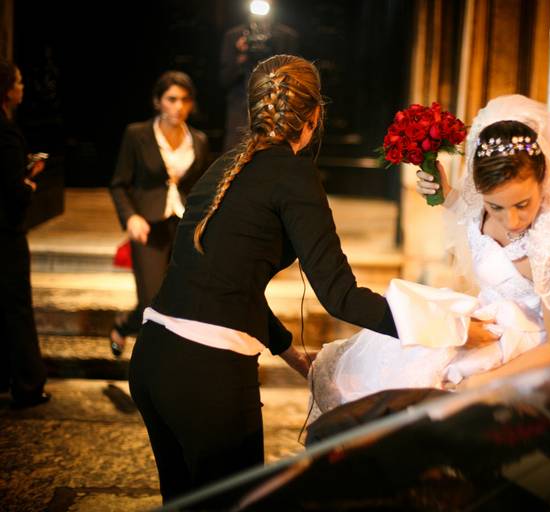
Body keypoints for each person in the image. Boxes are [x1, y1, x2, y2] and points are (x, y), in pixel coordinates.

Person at [128, 54, 399, 504]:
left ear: (255, 110)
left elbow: (224, 279)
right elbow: (341, 296)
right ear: (314, 117)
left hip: (153, 360)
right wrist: (432, 324)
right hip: (206, 373)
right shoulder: (296, 176)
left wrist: (288, 350)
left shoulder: (224, 165)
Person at [310, 95, 550, 415]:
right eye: (496, 207)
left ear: (544, 181)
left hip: (529, 357)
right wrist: (444, 193)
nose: (511, 220)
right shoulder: (479, 213)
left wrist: (485, 382)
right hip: (483, 326)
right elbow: (467, 215)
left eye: (522, 204)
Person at [108, 71, 210, 357]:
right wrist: (131, 217)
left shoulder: (198, 140)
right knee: (151, 301)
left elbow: (203, 188)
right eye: (171, 99)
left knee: (179, 297)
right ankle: (132, 333)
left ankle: (154, 348)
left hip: (184, 227)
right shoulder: (137, 134)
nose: (179, 106)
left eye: (185, 100)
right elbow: (119, 184)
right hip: (148, 226)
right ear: (157, 101)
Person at [0, 59, 51, 408]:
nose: (23, 88)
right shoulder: (5, 132)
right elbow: (13, 190)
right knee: (17, 308)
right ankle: (28, 384)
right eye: (18, 82)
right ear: (7, 90)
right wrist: (30, 180)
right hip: (6, 234)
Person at [220, 4, 299, 150]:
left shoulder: (286, 37)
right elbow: (225, 80)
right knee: (236, 153)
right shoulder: (234, 36)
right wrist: (240, 56)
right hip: (241, 109)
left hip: (277, 107)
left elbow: (293, 78)